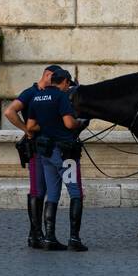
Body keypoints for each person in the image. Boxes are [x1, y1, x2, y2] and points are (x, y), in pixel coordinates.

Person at [25, 67, 89, 251]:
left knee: (52, 194)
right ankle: (74, 239)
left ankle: (50, 238)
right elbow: (69, 123)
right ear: (65, 82)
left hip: (46, 153)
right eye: (68, 84)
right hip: (65, 153)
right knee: (75, 192)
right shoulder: (61, 97)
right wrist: (79, 123)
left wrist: (47, 125)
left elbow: (30, 126)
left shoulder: (37, 97)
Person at [3, 65, 59, 248]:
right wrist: (27, 130)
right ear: (48, 75)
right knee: (37, 190)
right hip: (36, 148)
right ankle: (35, 234)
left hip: (47, 147)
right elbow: (9, 111)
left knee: (40, 190)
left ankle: (35, 234)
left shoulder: (46, 93)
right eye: (56, 79)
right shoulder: (30, 93)